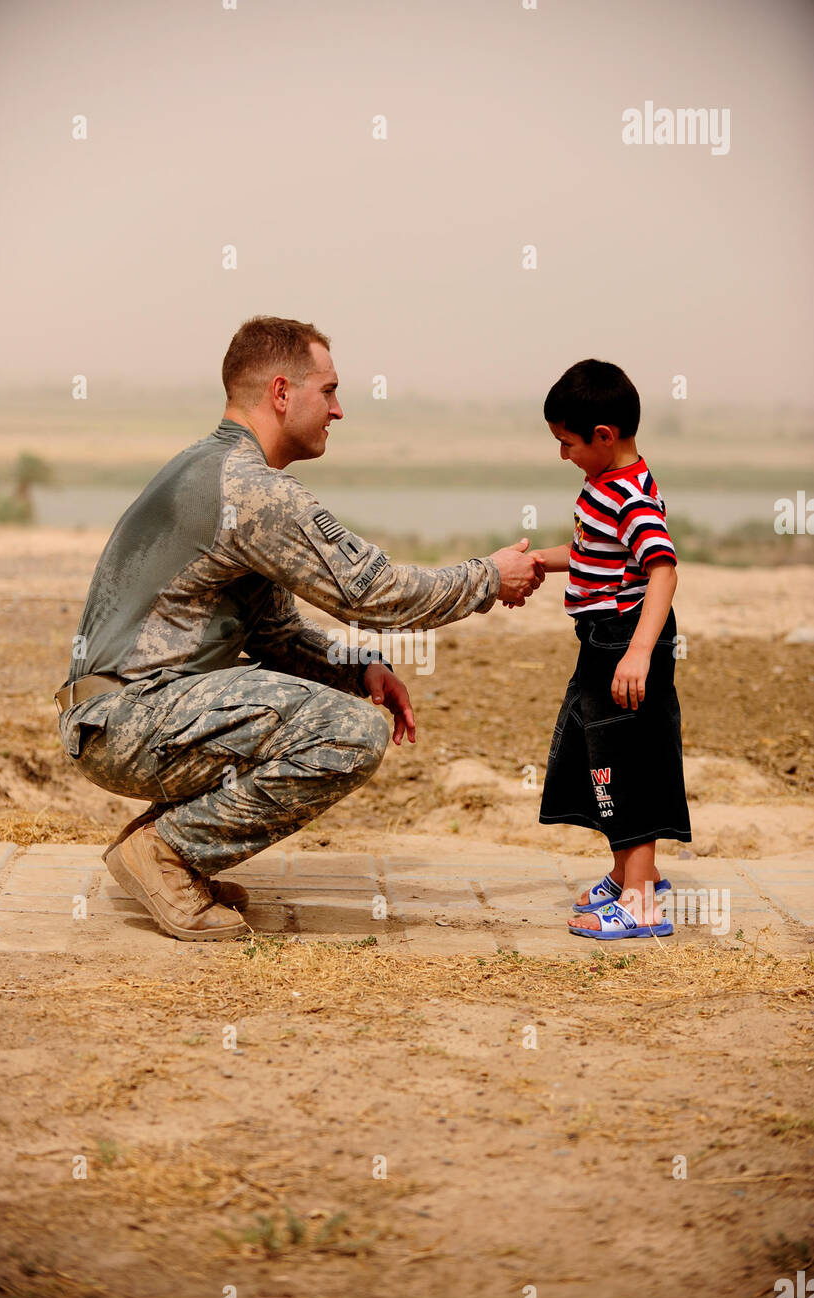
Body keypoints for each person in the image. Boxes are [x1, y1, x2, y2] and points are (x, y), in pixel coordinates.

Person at [54, 316, 545, 942]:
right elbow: (375, 593)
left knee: (339, 706)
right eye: (329, 391)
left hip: (119, 714)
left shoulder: (213, 468)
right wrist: (487, 578)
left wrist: (359, 667)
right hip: (130, 717)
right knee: (352, 731)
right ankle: (166, 854)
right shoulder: (253, 490)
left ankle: (166, 850)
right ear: (282, 393)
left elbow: (277, 635)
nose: (338, 410)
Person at [530, 359, 691, 939]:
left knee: (628, 763)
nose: (563, 455)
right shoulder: (602, 486)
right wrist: (535, 563)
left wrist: (640, 651)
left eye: (566, 443)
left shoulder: (631, 498)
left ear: (603, 436)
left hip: (624, 641)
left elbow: (663, 571)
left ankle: (643, 898)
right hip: (602, 642)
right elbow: (593, 557)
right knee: (598, 755)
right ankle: (627, 874)